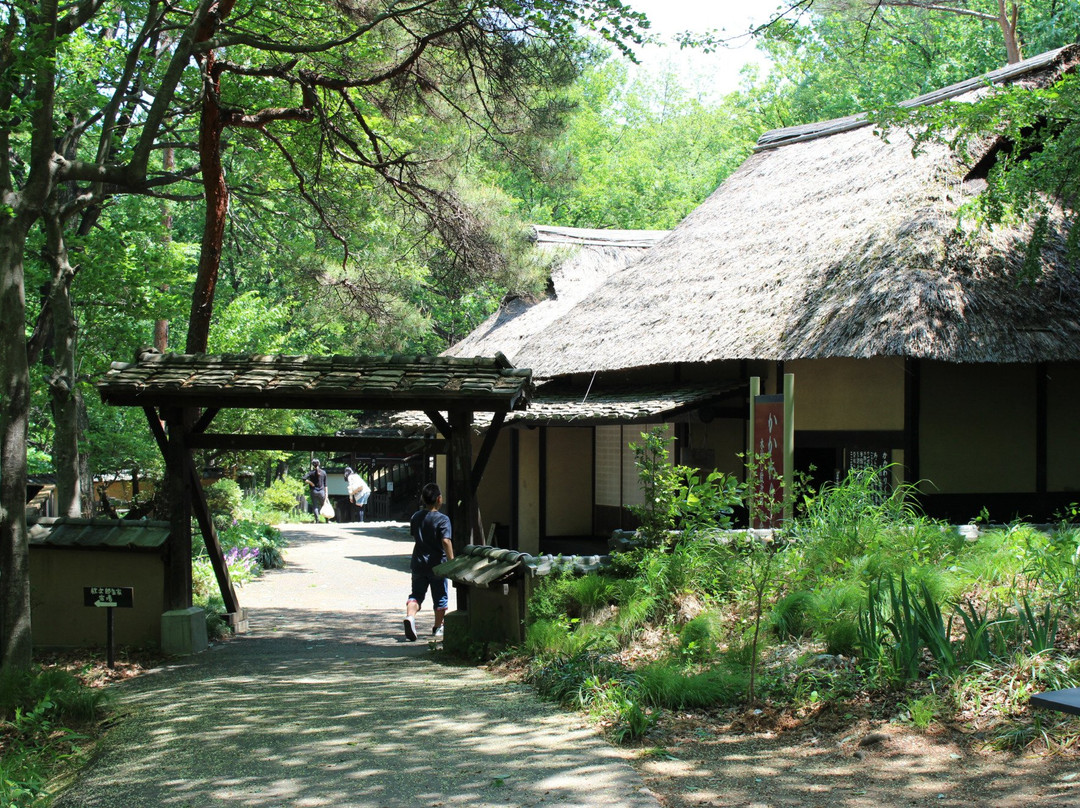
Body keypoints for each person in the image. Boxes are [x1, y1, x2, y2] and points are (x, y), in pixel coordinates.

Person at [404, 483, 454, 641]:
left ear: (423, 499)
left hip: (418, 563)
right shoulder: (443, 519)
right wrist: (452, 561)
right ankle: (438, 627)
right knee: (440, 596)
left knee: (416, 594)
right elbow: (445, 541)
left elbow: (415, 536)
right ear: (439, 499)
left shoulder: (416, 517)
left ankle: (410, 617)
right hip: (437, 565)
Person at [303, 459, 328, 523]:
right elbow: (325, 484)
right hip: (322, 491)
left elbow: (303, 478)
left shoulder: (311, 472)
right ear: (319, 464)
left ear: (312, 465)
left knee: (315, 505)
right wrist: (326, 494)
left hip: (313, 491)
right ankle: (327, 520)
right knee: (324, 505)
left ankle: (317, 520)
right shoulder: (323, 472)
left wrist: (311, 483)